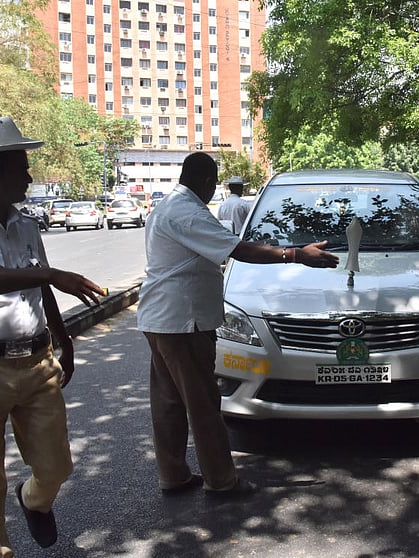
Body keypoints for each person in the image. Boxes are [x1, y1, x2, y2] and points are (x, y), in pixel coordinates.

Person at [0, 116, 106, 555]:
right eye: (21, 167)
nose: (30, 176)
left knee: (56, 467)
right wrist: (48, 272)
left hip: (36, 362)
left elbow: (39, 285)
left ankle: (34, 501)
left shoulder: (28, 225)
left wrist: (63, 338)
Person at [137, 153, 339, 499]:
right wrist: (296, 255)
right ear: (205, 181)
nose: (214, 188)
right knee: (202, 403)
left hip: (161, 319)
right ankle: (221, 480)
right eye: (212, 182)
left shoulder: (169, 205)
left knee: (169, 402)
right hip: (185, 322)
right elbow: (238, 249)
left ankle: (173, 475)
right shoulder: (187, 212)